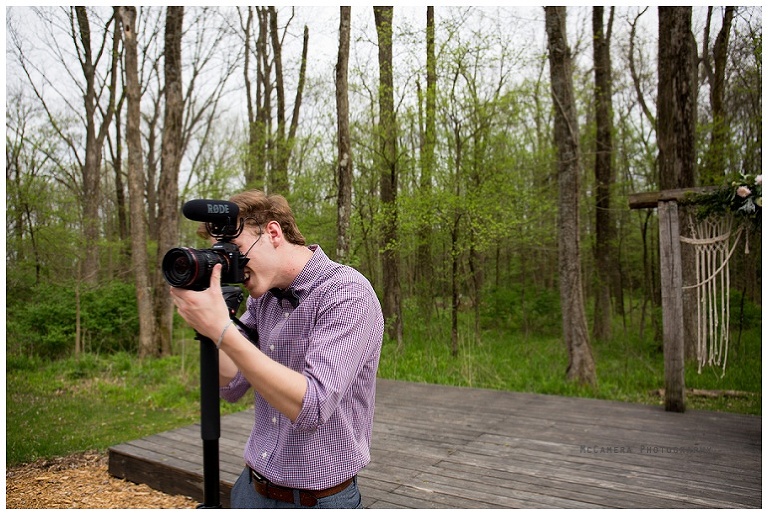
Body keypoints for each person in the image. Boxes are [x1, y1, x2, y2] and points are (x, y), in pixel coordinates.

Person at [170, 190, 384, 509]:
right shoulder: (264, 298)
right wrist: (210, 327)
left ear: (272, 233)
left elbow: (313, 405)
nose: (230, 264)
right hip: (251, 488)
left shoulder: (347, 294)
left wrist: (223, 331)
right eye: (220, 255)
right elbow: (231, 384)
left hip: (317, 501)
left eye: (235, 250)